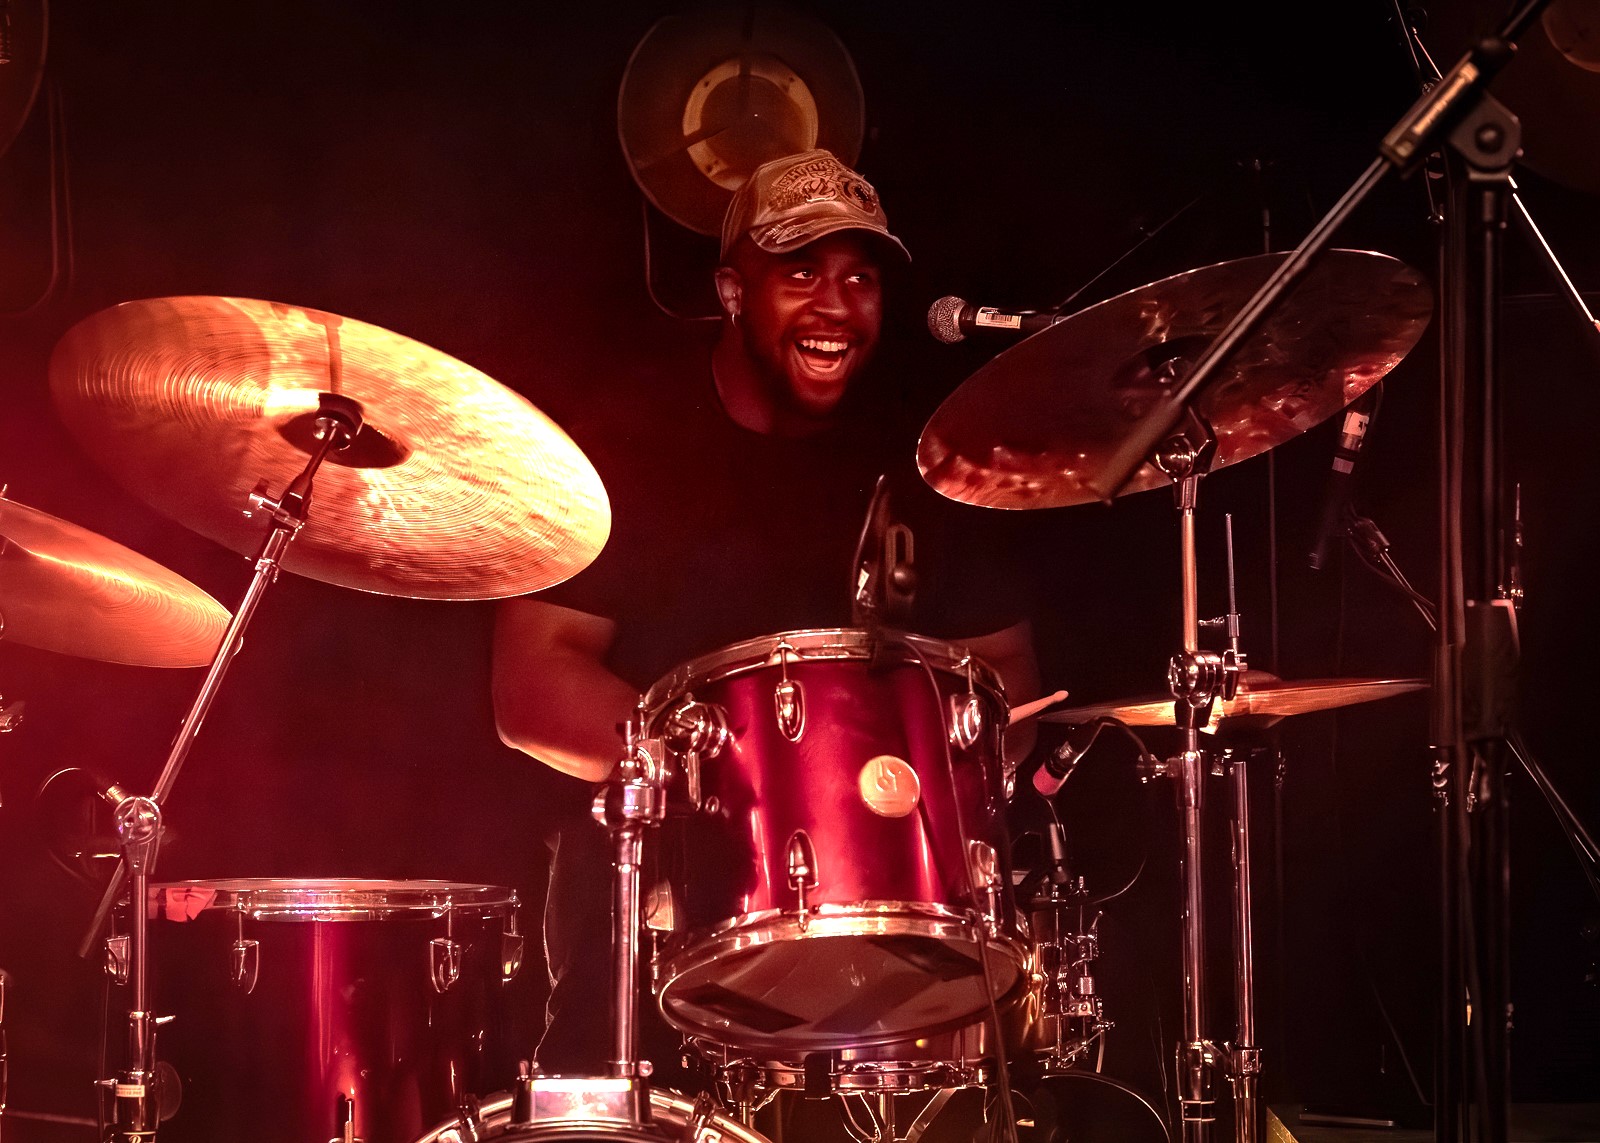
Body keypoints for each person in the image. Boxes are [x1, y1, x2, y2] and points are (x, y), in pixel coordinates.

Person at [492, 148, 1043, 1078]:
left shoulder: (930, 454)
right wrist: (733, 774)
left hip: (896, 910)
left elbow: (1009, 674)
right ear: (732, 291)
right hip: (658, 902)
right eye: (800, 273)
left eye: (860, 279)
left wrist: (926, 776)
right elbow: (530, 683)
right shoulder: (624, 441)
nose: (835, 306)